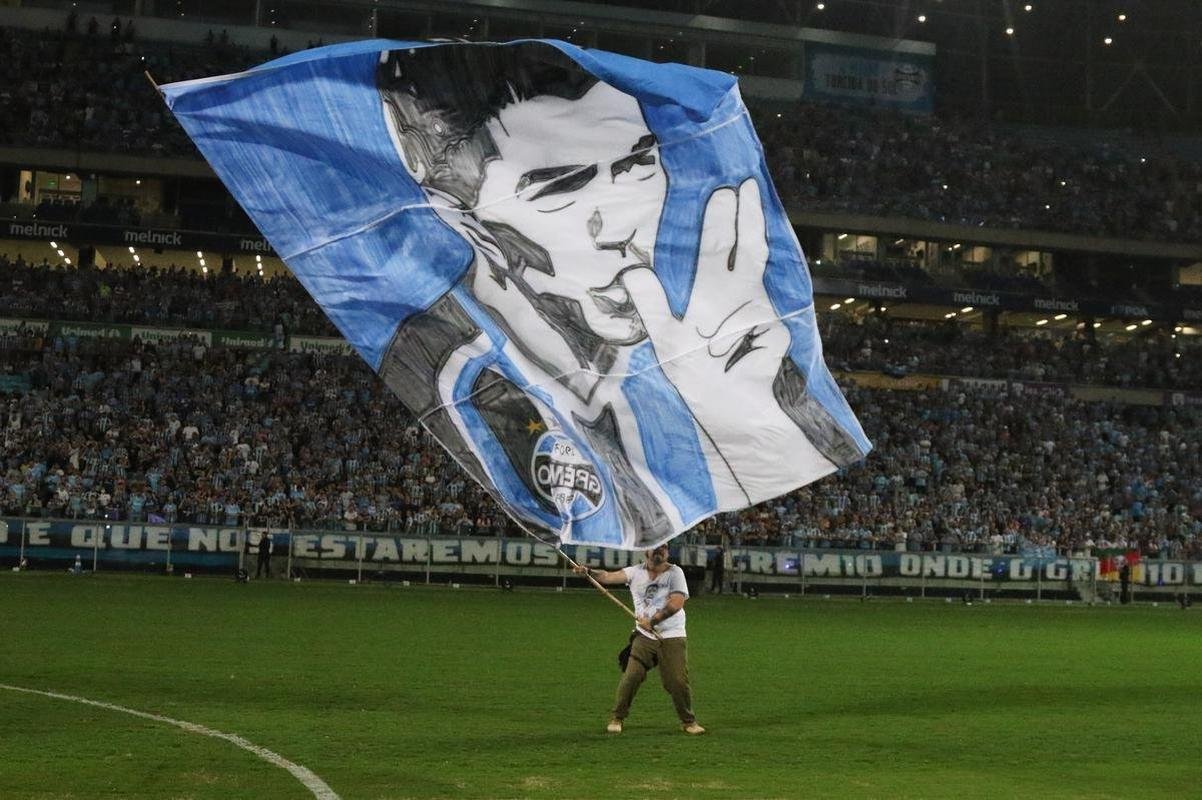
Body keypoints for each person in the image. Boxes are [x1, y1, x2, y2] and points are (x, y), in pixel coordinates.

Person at [373, 42, 866, 550]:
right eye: (559, 186)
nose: (622, 227)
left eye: (637, 164)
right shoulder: (441, 374)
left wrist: (752, 426)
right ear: (472, 226)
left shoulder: (701, 345)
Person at [573, 544, 705, 735]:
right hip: (644, 636)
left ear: (667, 552)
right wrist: (588, 572)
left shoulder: (675, 573)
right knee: (631, 676)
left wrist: (653, 621)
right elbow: (608, 576)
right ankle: (617, 717)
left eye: (664, 548)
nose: (660, 551)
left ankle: (688, 721)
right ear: (647, 552)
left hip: (672, 635)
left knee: (676, 682)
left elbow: (676, 603)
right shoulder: (635, 572)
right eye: (656, 548)